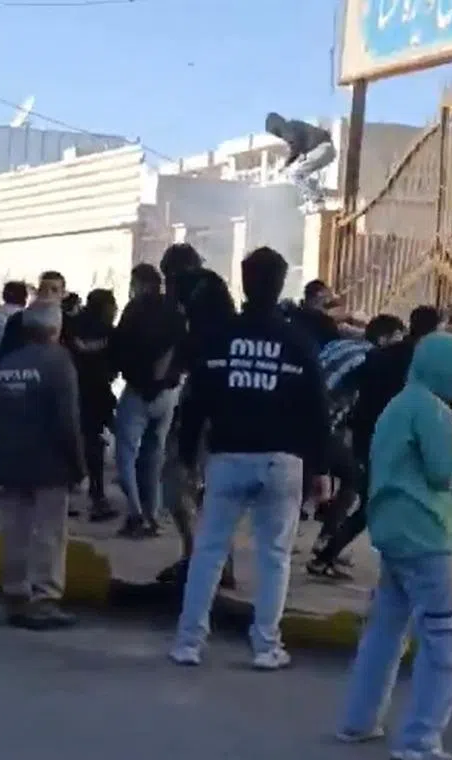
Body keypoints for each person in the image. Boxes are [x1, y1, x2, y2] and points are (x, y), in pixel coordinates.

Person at [169, 246, 329, 671]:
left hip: (227, 456)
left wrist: (186, 457)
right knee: (274, 557)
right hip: (282, 461)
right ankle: (265, 646)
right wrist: (321, 467)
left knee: (209, 551)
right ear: (281, 286)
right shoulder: (298, 342)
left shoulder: (219, 338)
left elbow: (195, 402)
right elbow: (316, 408)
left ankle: (189, 642)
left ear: (243, 281)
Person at [336, 332, 452, 759]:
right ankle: (420, 740)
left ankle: (359, 721)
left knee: (385, 630)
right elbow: (444, 472)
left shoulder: (399, 404)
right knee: (444, 639)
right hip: (426, 534)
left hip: (393, 532)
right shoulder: (433, 412)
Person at [308, 305, 440, 578]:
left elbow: (360, 396)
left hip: (366, 435)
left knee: (373, 498)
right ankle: (328, 554)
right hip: (398, 441)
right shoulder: (423, 363)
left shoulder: (379, 356)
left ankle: (328, 551)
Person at [0, 302, 87, 630]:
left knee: (16, 529)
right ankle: (44, 599)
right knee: (50, 532)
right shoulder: (59, 362)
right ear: (56, 329)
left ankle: (15, 594)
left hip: (10, 460)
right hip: (50, 463)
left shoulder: (6, 363)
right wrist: (78, 466)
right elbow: (67, 421)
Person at [155, 243, 240, 587]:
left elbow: (169, 371)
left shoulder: (190, 312)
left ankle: (198, 558)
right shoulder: (226, 316)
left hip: (202, 411)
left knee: (176, 483)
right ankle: (222, 564)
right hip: (230, 413)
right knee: (215, 490)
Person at [309, 314, 405, 567]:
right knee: (352, 478)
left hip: (306, 419)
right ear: (384, 338)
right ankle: (327, 541)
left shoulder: (341, 344)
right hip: (318, 424)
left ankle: (327, 539)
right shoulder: (370, 358)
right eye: (397, 338)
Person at [111, 263, 186, 538]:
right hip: (168, 392)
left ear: (141, 284)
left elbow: (120, 344)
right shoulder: (175, 310)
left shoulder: (135, 311)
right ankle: (152, 515)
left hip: (138, 391)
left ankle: (135, 514)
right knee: (154, 454)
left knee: (126, 454)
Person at [65, 288, 120, 522]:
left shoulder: (72, 325)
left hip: (74, 389)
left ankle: (70, 493)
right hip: (98, 392)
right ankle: (97, 496)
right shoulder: (109, 331)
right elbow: (117, 362)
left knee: (77, 440)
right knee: (95, 443)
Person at [265, 112, 336, 211]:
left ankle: (317, 201)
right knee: (307, 177)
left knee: (295, 175)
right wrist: (302, 156)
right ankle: (322, 195)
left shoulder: (286, 128)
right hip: (328, 149)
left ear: (276, 127)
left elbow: (295, 146)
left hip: (321, 149)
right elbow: (302, 143)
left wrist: (286, 164)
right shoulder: (295, 125)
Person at [0, 271, 65, 365]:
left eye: (54, 290)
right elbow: (4, 355)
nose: (48, 294)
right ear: (38, 291)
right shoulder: (18, 319)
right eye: (43, 289)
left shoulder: (70, 323)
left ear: (62, 294)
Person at [292, 279, 343, 349]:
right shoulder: (324, 321)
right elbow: (335, 345)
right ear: (320, 293)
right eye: (328, 291)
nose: (330, 294)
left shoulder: (296, 315)